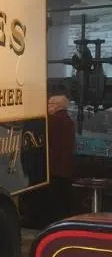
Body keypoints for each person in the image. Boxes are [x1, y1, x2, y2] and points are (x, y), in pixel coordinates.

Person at [45, 94, 76, 222]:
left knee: (54, 204)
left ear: (57, 106)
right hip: (66, 169)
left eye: (50, 104)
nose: (48, 107)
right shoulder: (69, 121)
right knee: (65, 202)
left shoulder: (52, 121)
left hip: (53, 169)